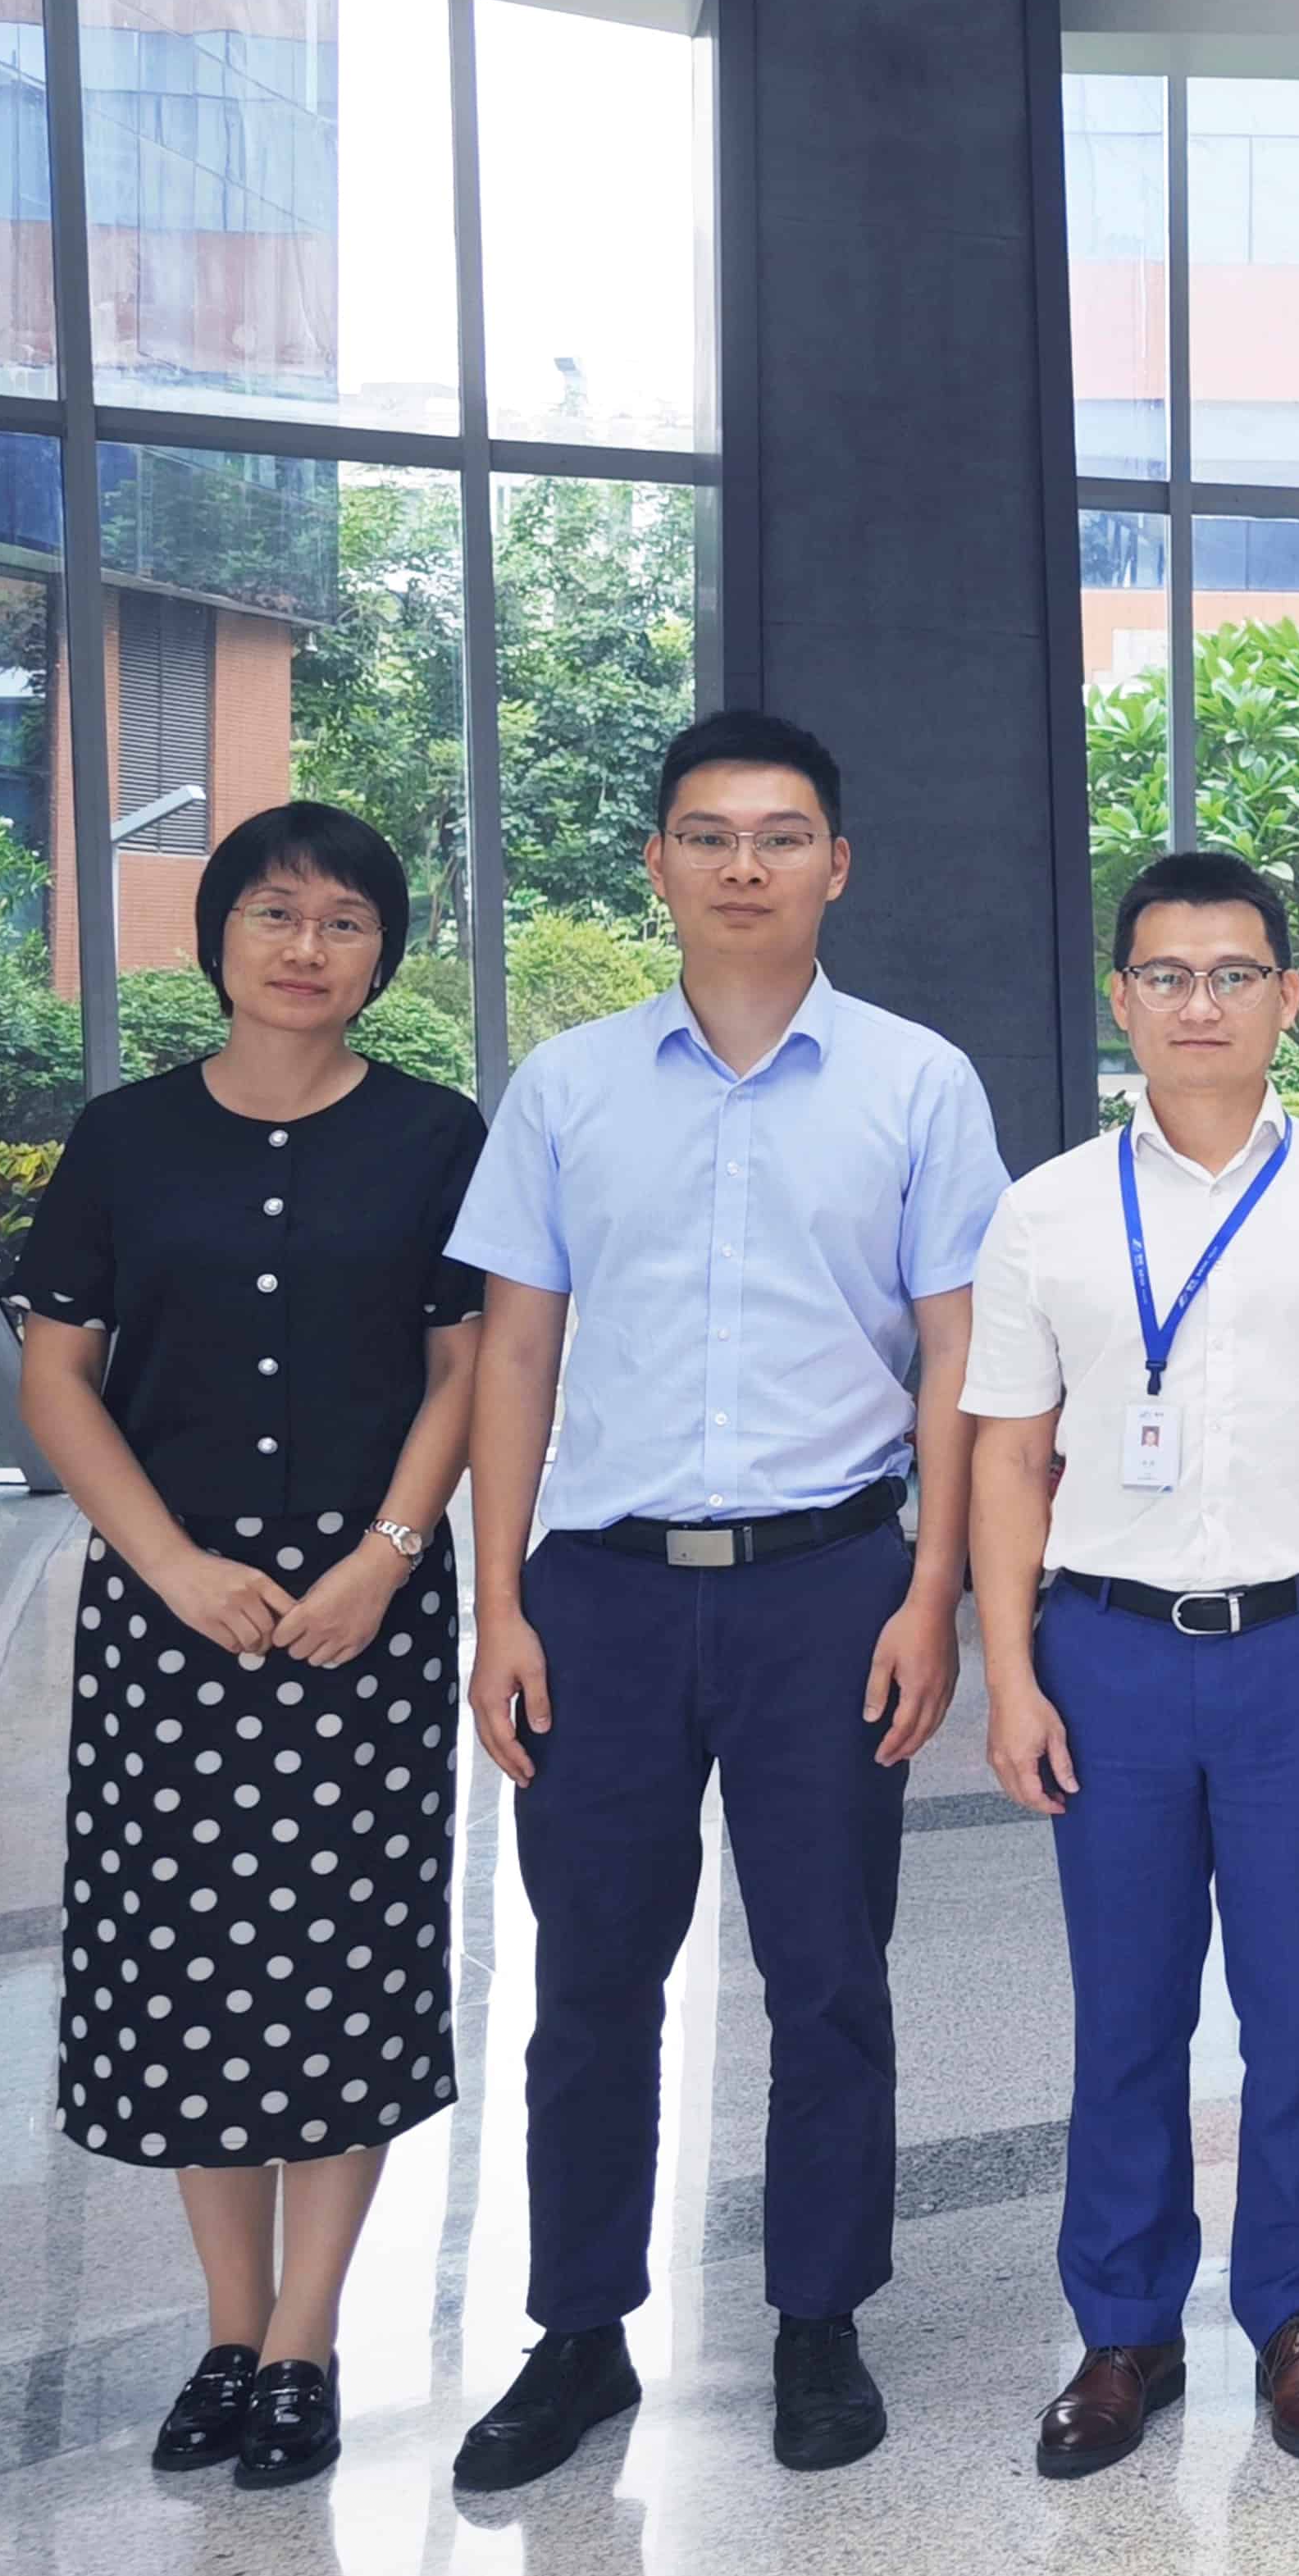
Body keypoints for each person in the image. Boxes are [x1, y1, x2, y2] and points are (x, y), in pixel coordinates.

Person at [443, 709, 1008, 2491]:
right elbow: (514, 1350)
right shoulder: (567, 1087)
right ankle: (578, 2330)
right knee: (590, 1977)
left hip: (828, 1584)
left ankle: (819, 2317)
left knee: (828, 1970)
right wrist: (499, 1603)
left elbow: (960, 1353)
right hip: (599, 1595)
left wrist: (932, 1590)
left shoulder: (918, 1083)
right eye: (708, 835)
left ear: (837, 863)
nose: (743, 865)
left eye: (779, 836)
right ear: (659, 864)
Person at [15, 802, 485, 2492]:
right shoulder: (126, 1138)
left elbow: (465, 1371)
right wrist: (168, 1567)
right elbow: (58, 1372)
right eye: (275, 914)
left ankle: (305, 2342)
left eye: (345, 921)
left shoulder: (435, 1135)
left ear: (383, 956)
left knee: (343, 1969)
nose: (306, 947)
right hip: (173, 1616)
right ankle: (227, 2331)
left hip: (367, 1610)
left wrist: (386, 1557)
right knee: (187, 1971)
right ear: (217, 936)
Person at [963, 849, 1299, 2478]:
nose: (1200, 1004)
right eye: (1167, 975)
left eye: (1234, 974)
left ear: (1286, 998)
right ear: (1123, 999)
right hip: (1106, 1650)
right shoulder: (1045, 1209)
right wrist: (1012, 1675)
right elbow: (1007, 1453)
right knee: (1127, 2011)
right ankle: (1125, 2331)